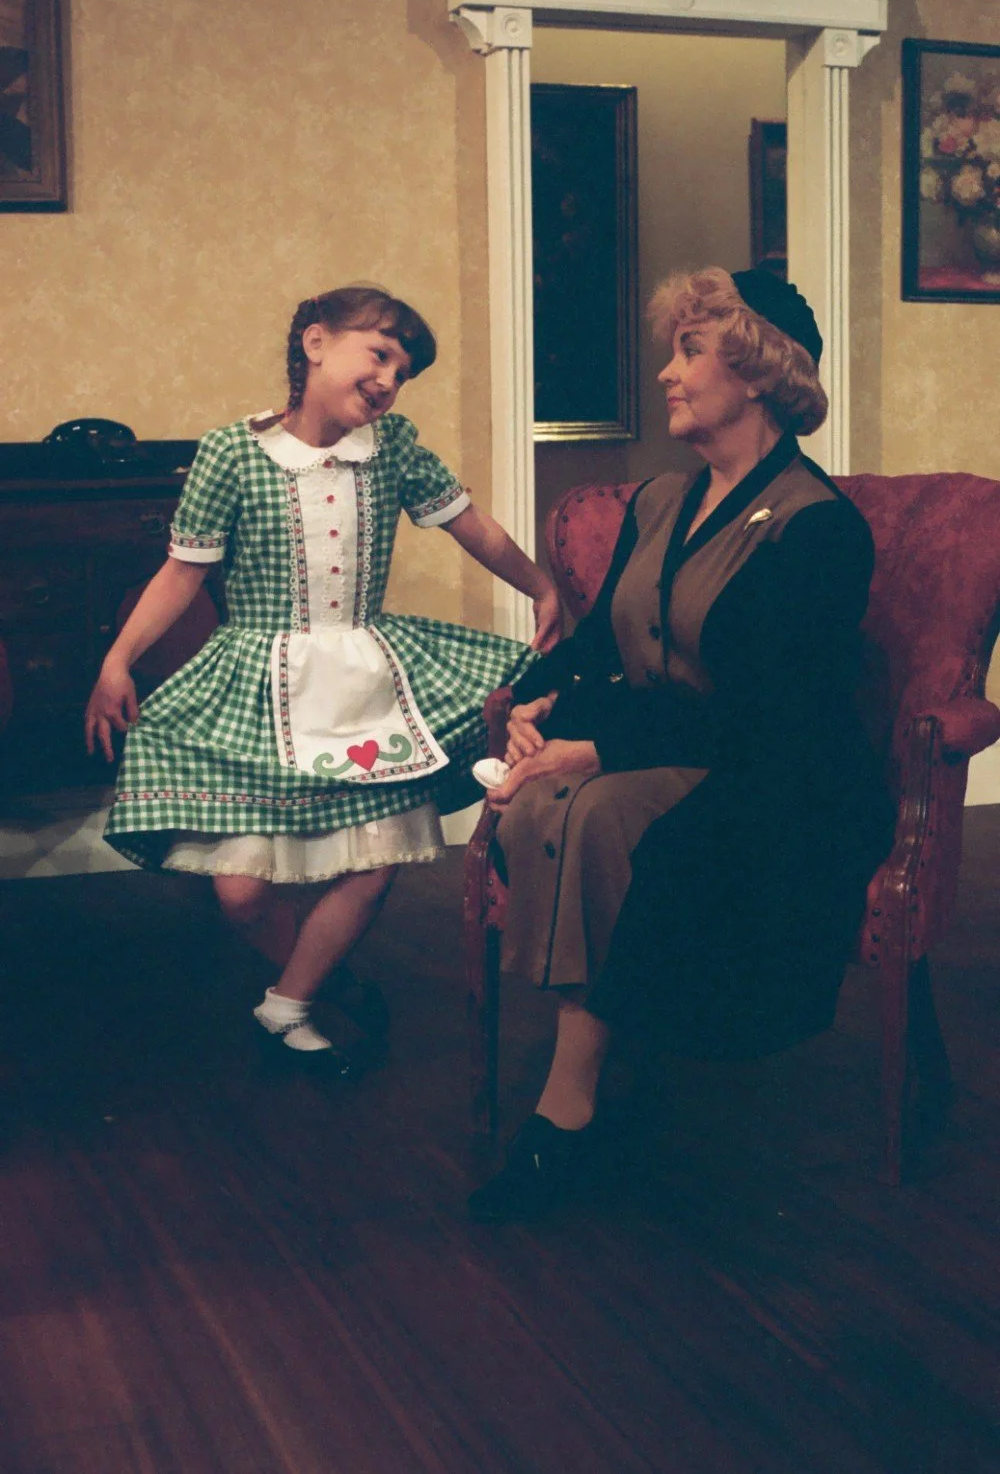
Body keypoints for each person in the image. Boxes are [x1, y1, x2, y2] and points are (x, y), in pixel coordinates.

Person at [468, 267, 894, 1222]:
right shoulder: (661, 499)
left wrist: (592, 746)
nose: (667, 371)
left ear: (754, 373)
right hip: (684, 742)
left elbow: (769, 711)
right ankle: (600, 1082)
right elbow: (593, 641)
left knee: (602, 804)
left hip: (783, 774)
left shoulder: (820, 528)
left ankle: (567, 1110)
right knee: (544, 796)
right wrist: (537, 706)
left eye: (689, 350)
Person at [85, 285, 559, 1070]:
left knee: (373, 860)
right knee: (240, 892)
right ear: (315, 344)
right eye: (379, 353)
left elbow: (473, 526)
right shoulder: (231, 452)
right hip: (259, 683)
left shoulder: (395, 446)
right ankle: (322, 978)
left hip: (367, 681)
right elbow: (182, 573)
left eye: (403, 371)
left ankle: (287, 1007)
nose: (389, 379)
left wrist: (540, 585)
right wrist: (117, 659)